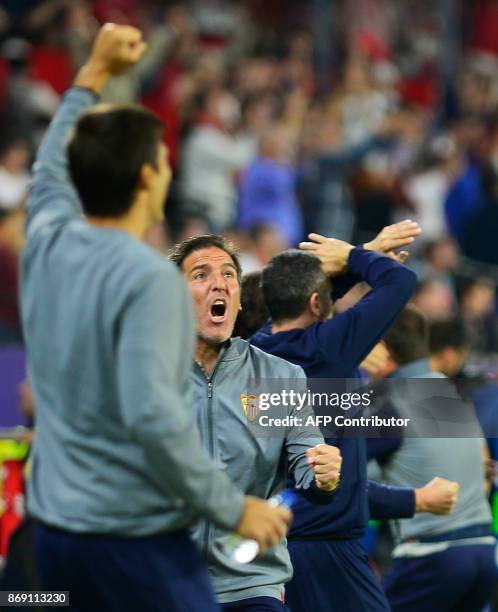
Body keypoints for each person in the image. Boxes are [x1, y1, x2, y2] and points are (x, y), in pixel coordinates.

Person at [22, 24, 291, 612]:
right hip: (132, 539)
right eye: (164, 160)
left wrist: (93, 74)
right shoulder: (151, 282)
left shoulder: (43, 239)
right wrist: (233, 507)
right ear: (149, 178)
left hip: (52, 532)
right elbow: (152, 420)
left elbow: (49, 165)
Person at [251, 222, 459, 612]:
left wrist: (365, 250)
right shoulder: (329, 348)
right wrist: (353, 256)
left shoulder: (256, 349)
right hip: (329, 545)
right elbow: (399, 281)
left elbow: (305, 301)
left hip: (279, 541)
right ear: (317, 304)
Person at [169, 234, 342, 611]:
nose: (220, 283)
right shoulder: (143, 375)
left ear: (238, 296)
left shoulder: (278, 377)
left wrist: (323, 471)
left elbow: (308, 463)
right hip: (165, 580)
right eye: (201, 274)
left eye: (229, 274)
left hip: (252, 584)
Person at [378, 306, 495, 612]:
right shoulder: (448, 391)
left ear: (381, 349)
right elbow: (483, 469)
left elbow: (344, 477)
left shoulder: (387, 401)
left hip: (432, 554)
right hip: (483, 550)